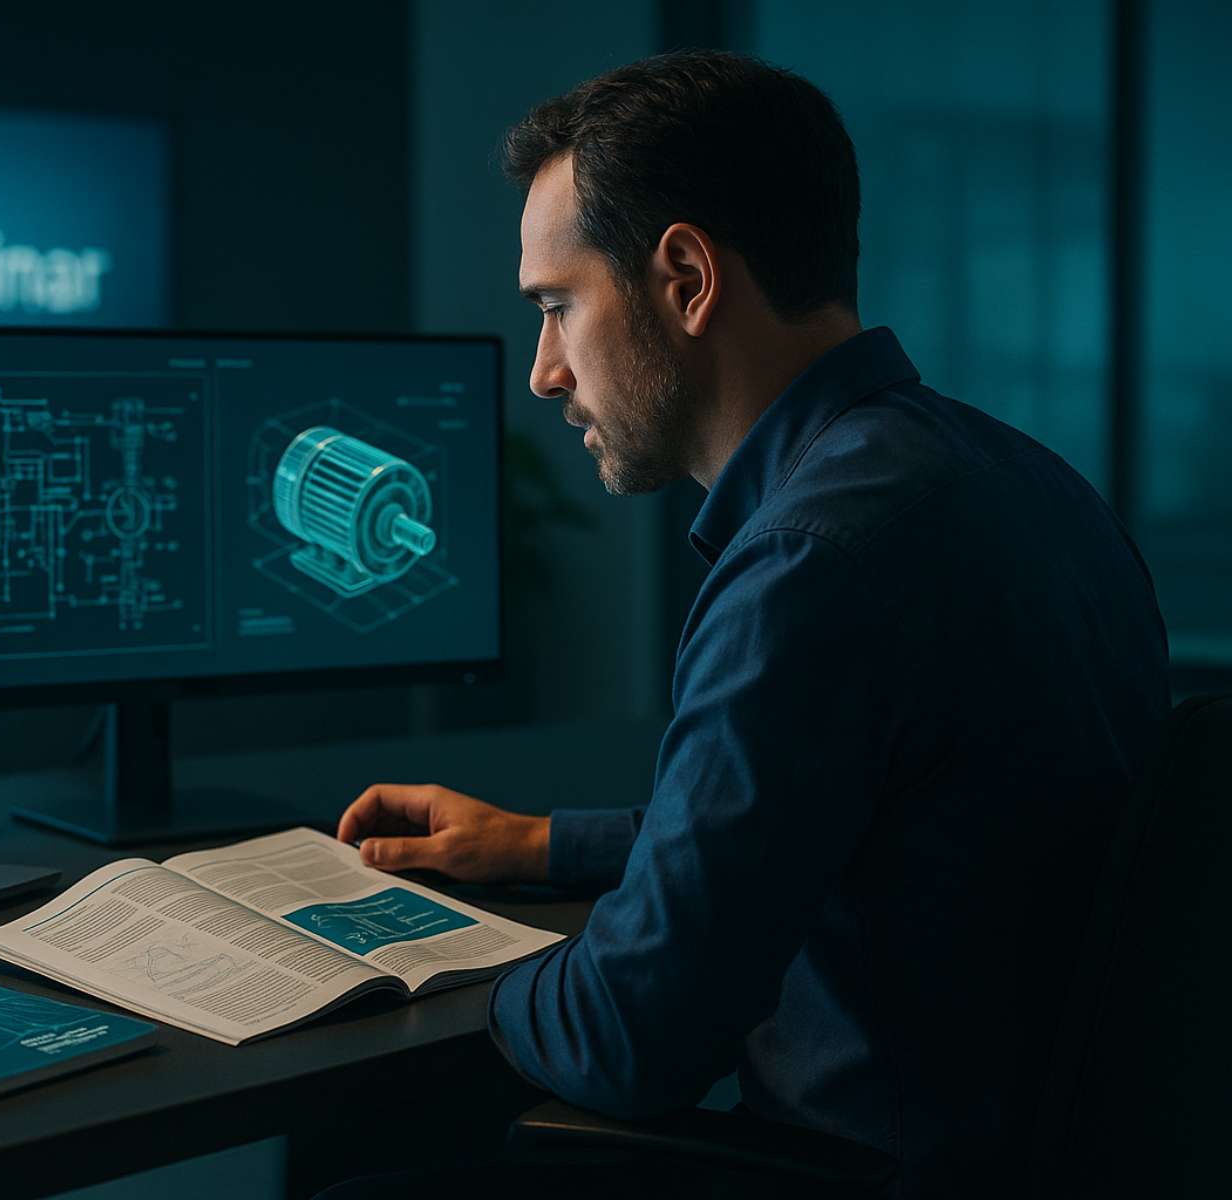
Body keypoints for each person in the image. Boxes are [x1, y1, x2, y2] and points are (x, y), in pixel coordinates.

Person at [335, 50, 1170, 1196]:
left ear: (686, 280)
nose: (544, 374)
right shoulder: (1034, 488)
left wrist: (432, 967)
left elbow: (628, 1041)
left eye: (558, 308)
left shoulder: (809, 561)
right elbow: (836, 819)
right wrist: (537, 845)